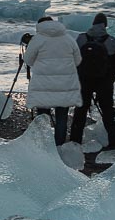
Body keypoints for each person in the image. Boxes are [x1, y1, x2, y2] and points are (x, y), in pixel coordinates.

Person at [23, 15, 82, 144]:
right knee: (61, 117)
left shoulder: (37, 39)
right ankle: (59, 145)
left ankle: (43, 145)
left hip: (43, 85)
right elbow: (78, 60)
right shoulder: (68, 38)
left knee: (43, 117)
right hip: (64, 85)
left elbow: (27, 60)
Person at [69, 12, 115, 149]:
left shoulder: (81, 38)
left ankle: (75, 141)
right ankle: (114, 141)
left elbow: (73, 60)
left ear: (92, 23)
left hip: (84, 80)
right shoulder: (111, 41)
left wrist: (78, 76)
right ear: (105, 25)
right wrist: (110, 80)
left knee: (80, 110)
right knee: (108, 111)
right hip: (104, 82)